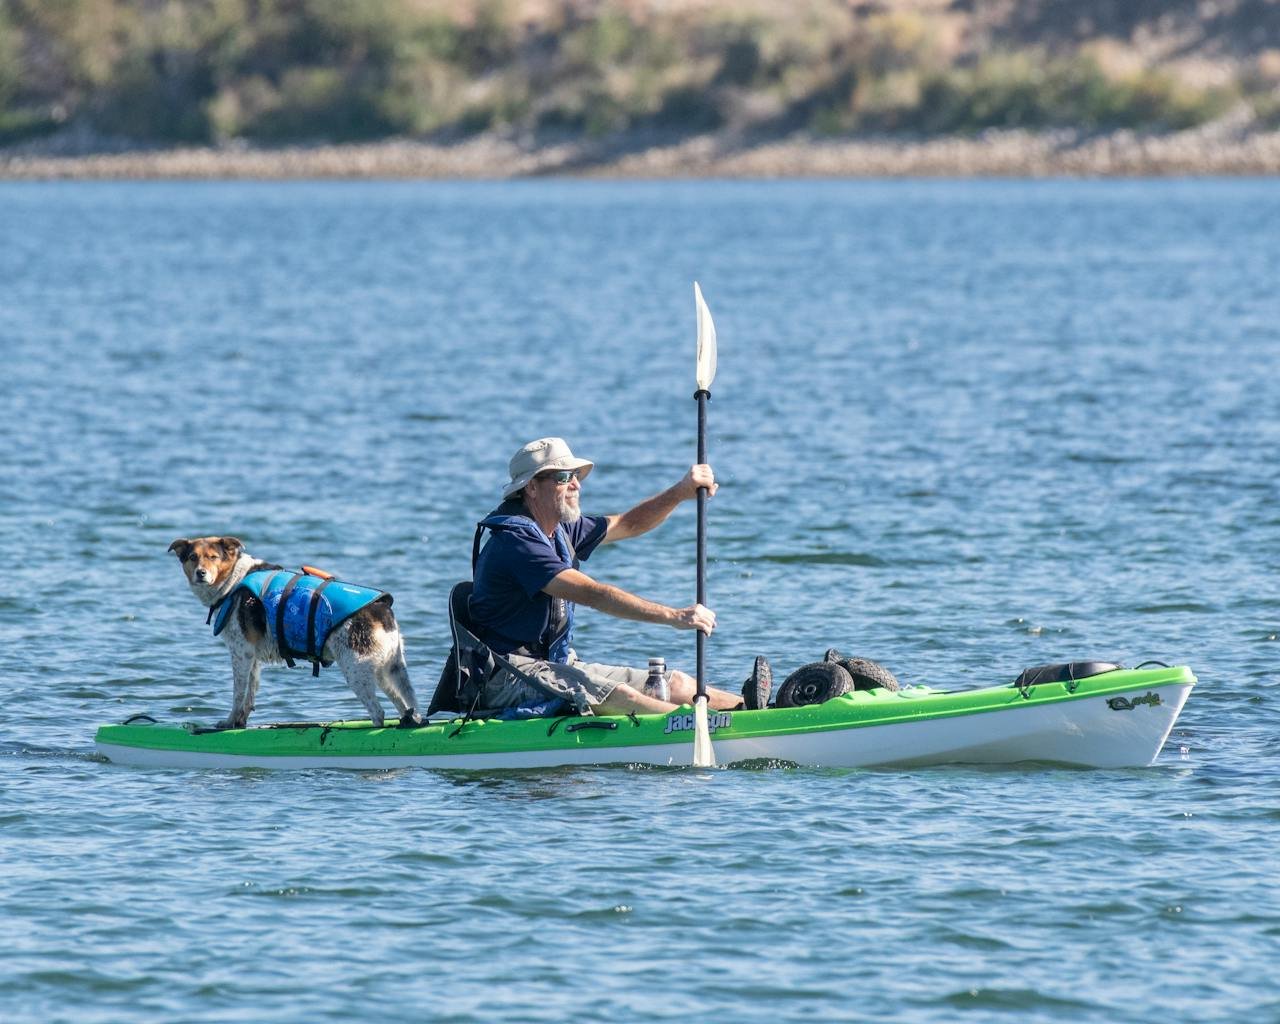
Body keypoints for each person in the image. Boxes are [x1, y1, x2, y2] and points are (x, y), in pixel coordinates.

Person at [468, 437, 771, 716]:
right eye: (563, 477)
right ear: (531, 488)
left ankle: (764, 710)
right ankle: (700, 726)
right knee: (619, 694)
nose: (575, 485)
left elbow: (628, 523)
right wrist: (674, 616)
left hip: (555, 666)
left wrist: (680, 492)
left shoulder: (560, 529)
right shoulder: (516, 542)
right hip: (507, 677)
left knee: (675, 684)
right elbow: (593, 594)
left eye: (577, 476)